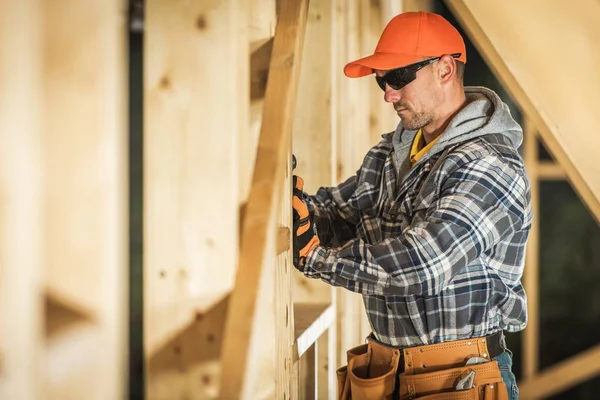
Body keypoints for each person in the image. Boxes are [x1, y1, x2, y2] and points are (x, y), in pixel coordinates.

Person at [292, 10, 531, 400]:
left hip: (459, 381)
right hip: (386, 373)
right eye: (382, 80)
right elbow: (342, 212)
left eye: (399, 78)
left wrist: (318, 259)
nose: (389, 94)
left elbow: (424, 264)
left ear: (445, 69)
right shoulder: (394, 152)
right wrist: (296, 207)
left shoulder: (490, 165)